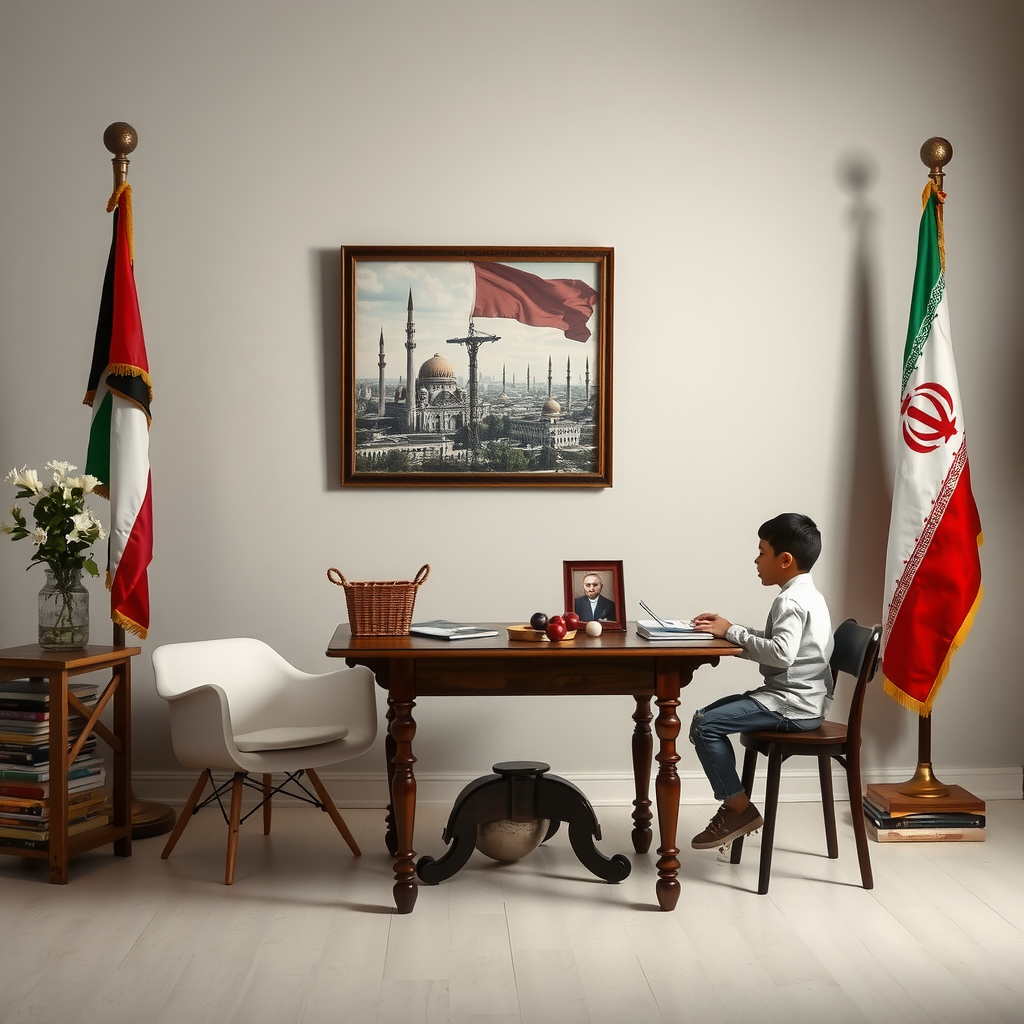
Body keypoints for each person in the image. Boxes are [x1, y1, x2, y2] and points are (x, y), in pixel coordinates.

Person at [687, 513, 833, 850]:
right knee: (703, 720)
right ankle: (737, 807)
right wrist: (729, 628)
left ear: (784, 560)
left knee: (705, 724)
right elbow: (784, 646)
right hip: (803, 699)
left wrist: (731, 633)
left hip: (792, 706)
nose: (756, 559)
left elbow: (781, 654)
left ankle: (739, 809)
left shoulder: (789, 600)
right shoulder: (809, 595)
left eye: (761, 551)